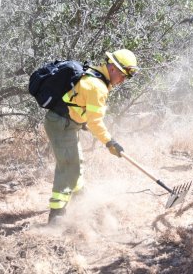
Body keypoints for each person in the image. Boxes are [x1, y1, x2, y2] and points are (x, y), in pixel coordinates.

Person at [44, 49, 139, 224]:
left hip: (66, 123)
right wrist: (110, 142)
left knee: (76, 161)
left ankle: (80, 196)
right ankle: (56, 215)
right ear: (112, 68)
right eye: (123, 75)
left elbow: (79, 102)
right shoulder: (98, 87)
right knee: (67, 167)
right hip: (61, 125)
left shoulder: (95, 75)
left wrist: (83, 121)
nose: (123, 80)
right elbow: (96, 122)